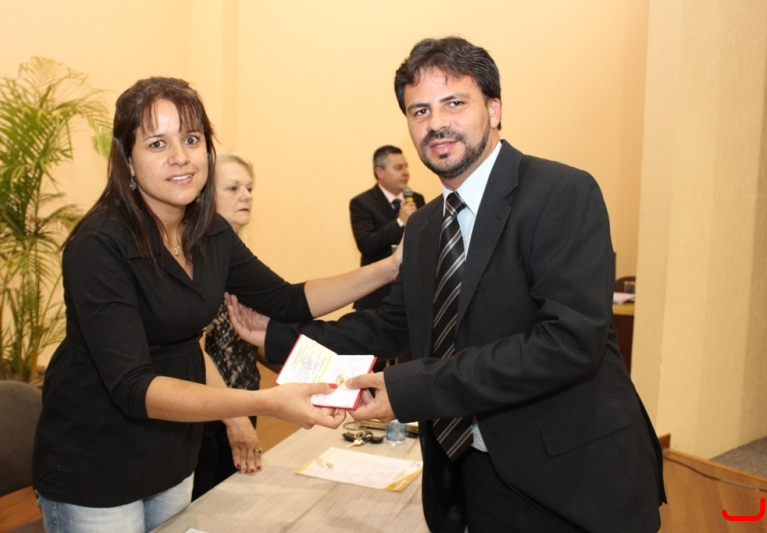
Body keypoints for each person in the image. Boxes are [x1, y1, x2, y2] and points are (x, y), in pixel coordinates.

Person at [230, 37, 666, 533]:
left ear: (494, 109)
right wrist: (279, 336)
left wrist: (409, 388)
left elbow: (568, 343)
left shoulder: (561, 193)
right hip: (469, 479)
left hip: (572, 481)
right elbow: (392, 325)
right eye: (420, 111)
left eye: (454, 103)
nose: (436, 123)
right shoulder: (423, 226)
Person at [32, 77, 402, 533]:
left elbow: (287, 300)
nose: (180, 156)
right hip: (95, 463)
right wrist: (264, 402)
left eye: (191, 139)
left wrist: (390, 267)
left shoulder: (208, 232)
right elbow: (133, 385)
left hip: (172, 453)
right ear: (127, 159)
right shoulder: (99, 245)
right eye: (157, 143)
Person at [192, 151, 263, 500]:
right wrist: (234, 418)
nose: (246, 196)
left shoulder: (238, 256)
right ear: (204, 197)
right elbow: (194, 349)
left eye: (249, 188)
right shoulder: (195, 259)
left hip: (243, 403)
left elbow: (250, 338)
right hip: (209, 416)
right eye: (233, 188)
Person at [349, 145, 425, 311]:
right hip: (376, 293)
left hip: (411, 291)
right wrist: (400, 222)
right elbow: (366, 244)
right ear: (380, 172)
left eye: (406, 166)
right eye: (398, 167)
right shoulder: (362, 203)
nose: (406, 172)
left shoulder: (417, 199)